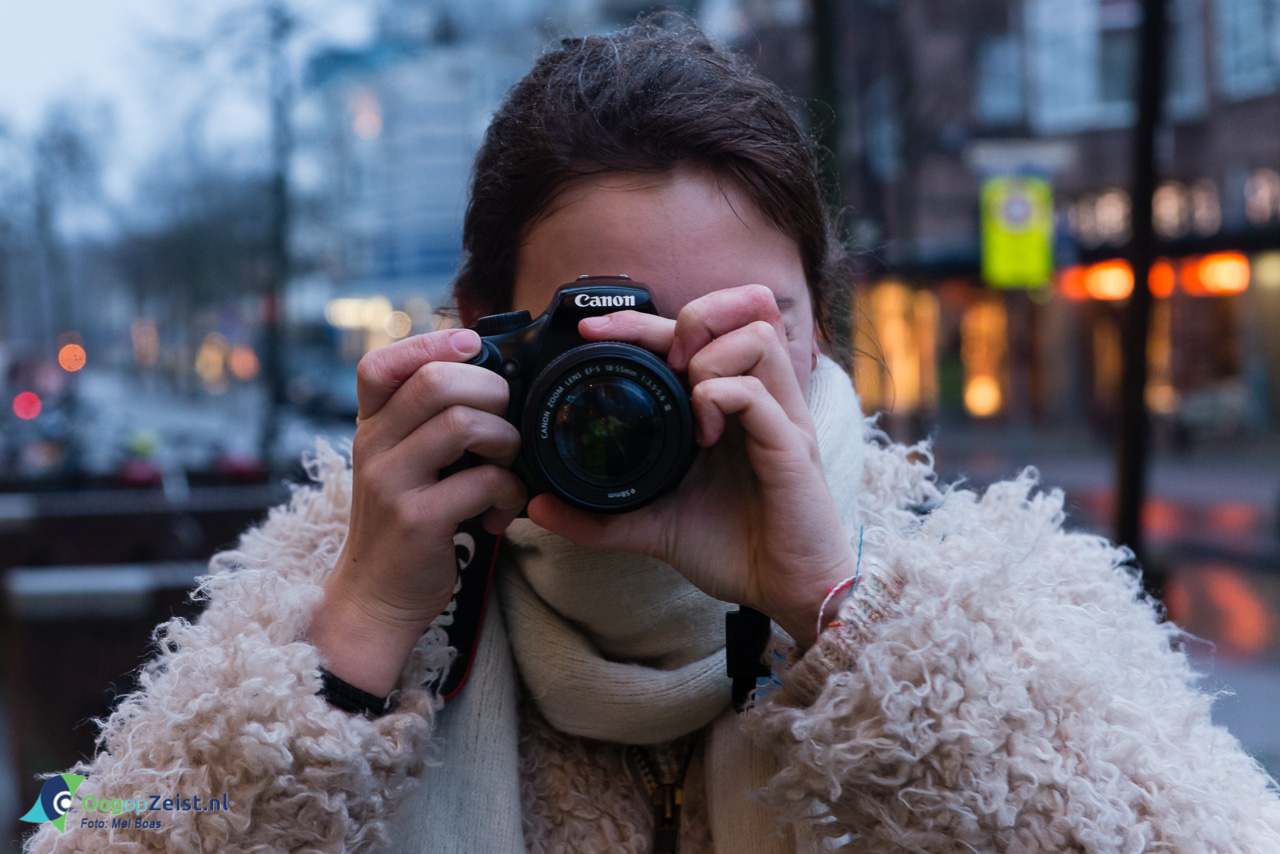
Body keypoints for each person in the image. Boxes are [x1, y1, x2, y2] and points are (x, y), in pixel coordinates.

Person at [24, 17, 1280, 854]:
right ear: (483, 328)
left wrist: (846, 615)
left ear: (819, 326)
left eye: (734, 328)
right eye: (610, 336)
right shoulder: (346, 577)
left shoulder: (975, 586)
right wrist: (348, 645)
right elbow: (86, 821)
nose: (673, 387)